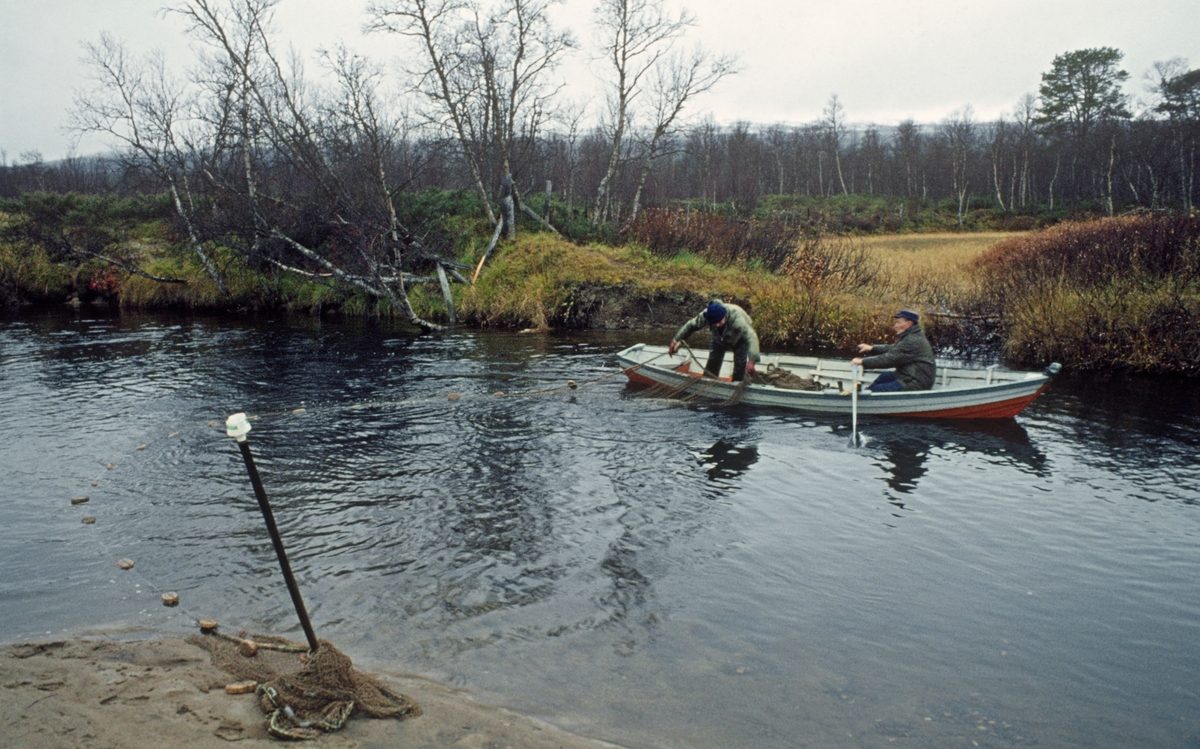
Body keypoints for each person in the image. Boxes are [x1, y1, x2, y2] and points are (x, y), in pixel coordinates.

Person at [668, 300, 760, 382]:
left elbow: (752, 337)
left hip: (739, 339)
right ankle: (709, 383)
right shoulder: (706, 315)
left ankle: (737, 384)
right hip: (719, 339)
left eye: (719, 322)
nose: (717, 325)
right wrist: (675, 340)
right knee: (713, 362)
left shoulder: (738, 319)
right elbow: (690, 326)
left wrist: (752, 361)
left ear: (724, 316)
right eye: (714, 323)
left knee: (740, 366)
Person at [851, 309, 935, 392]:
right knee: (885, 376)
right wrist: (873, 348)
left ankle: (866, 400)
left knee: (878, 389)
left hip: (916, 382)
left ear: (909, 323)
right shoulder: (913, 335)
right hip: (909, 376)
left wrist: (862, 361)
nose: (895, 326)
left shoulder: (912, 340)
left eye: (898, 322)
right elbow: (894, 348)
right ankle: (866, 395)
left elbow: (889, 359)